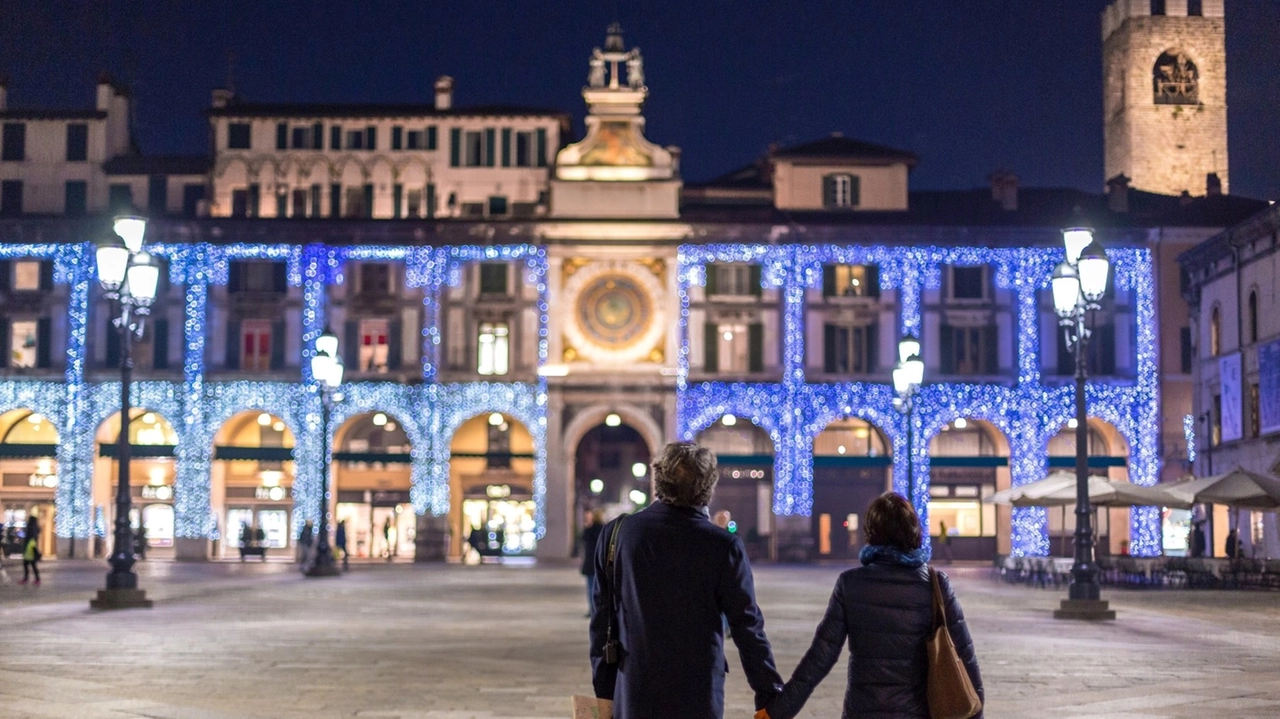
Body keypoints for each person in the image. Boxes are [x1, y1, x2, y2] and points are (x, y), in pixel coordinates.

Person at [590, 441, 783, 719]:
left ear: (658, 480)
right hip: (698, 693)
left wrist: (605, 692)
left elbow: (602, 622)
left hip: (633, 689)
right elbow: (747, 626)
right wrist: (768, 693)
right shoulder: (723, 545)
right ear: (707, 488)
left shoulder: (616, 535)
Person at [765, 492, 983, 719]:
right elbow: (965, 658)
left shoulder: (850, 584)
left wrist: (778, 710)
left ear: (871, 533)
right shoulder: (936, 585)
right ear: (914, 531)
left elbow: (821, 656)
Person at [580, 509, 605, 618]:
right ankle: (597, 609)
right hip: (599, 562)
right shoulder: (604, 529)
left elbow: (584, 539)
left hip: (592, 562)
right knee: (597, 587)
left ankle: (593, 609)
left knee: (592, 587)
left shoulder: (592, 530)